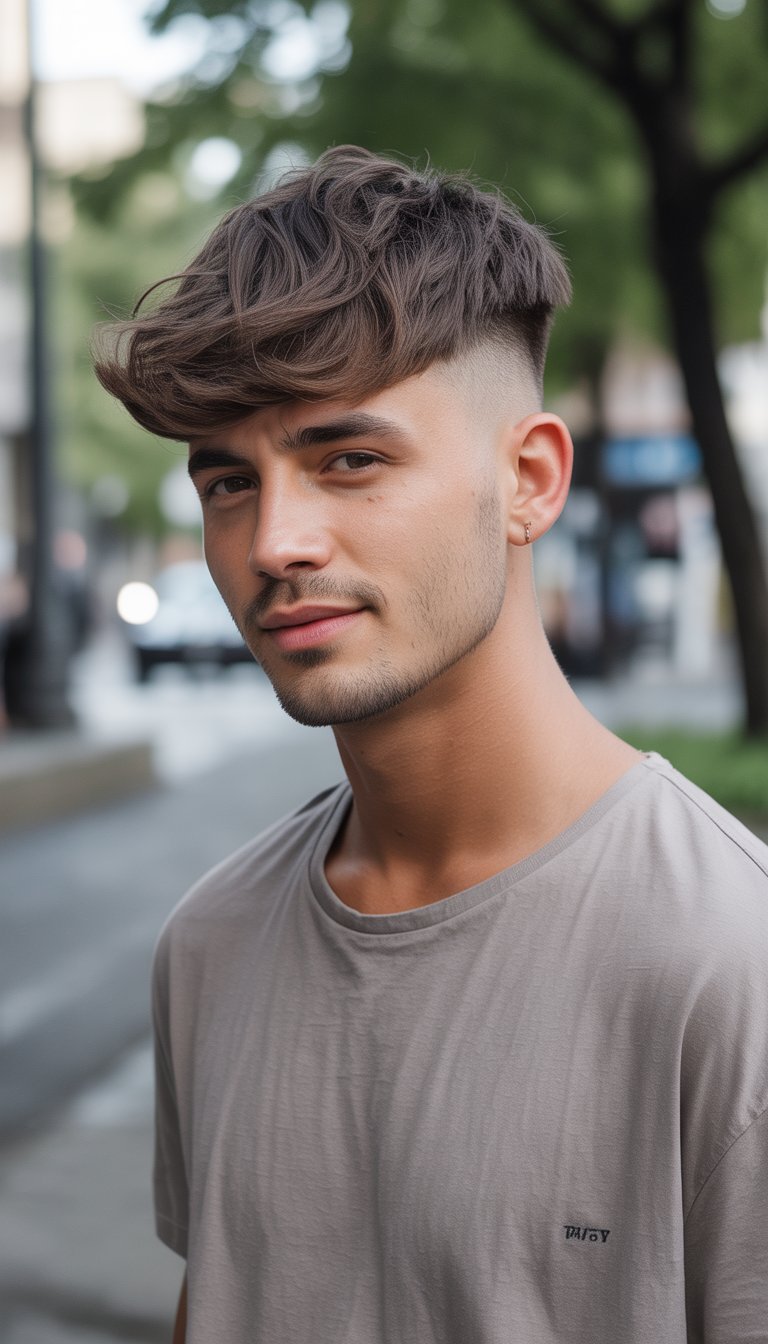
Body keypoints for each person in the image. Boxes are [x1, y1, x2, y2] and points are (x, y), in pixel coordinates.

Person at [95, 146, 768, 1344]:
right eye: (226, 484)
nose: (275, 542)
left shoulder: (728, 960)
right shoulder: (211, 941)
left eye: (348, 459)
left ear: (529, 479)